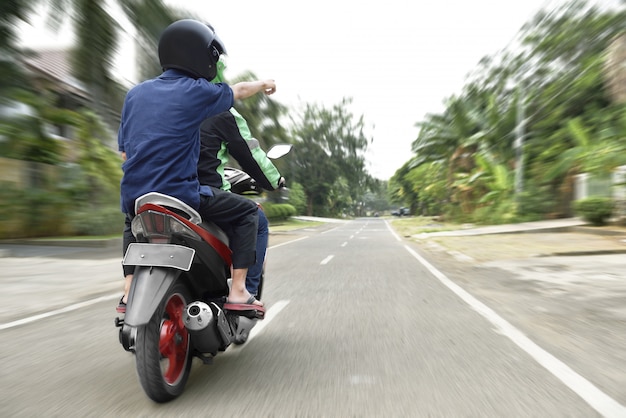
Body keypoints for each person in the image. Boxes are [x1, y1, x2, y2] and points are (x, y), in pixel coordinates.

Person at [116, 19, 275, 313]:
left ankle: (128, 290)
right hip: (181, 195)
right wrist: (264, 83)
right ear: (201, 56)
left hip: (135, 197)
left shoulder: (134, 94)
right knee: (248, 213)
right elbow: (237, 91)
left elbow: (125, 155)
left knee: (130, 222)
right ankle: (239, 291)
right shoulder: (197, 91)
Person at [199, 106, 285, 298]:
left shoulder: (151, 103)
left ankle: (128, 292)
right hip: (198, 192)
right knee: (255, 216)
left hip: (149, 190)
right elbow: (249, 153)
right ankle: (245, 291)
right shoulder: (218, 107)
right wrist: (274, 181)